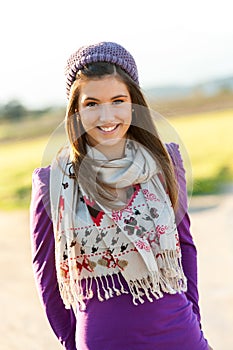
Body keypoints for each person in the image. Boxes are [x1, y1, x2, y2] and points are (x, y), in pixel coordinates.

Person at [30, 41, 213, 350]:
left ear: (133, 103)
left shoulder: (165, 163)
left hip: (179, 335)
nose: (106, 116)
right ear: (74, 111)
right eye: (91, 104)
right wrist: (72, 343)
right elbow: (47, 279)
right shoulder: (53, 182)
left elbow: (185, 248)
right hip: (103, 341)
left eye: (118, 100)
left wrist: (193, 318)